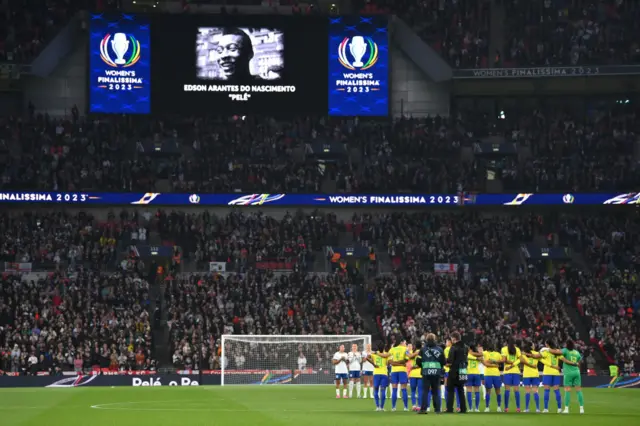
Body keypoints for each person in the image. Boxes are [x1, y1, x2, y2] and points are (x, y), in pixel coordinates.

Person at [529, 339, 563, 413]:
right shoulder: (556, 351)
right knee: (557, 391)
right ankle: (559, 408)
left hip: (547, 373)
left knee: (546, 390)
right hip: (556, 373)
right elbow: (562, 356)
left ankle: (546, 409)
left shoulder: (546, 352)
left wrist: (530, 353)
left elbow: (536, 356)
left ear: (547, 345)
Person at [418, 332, 446, 414]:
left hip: (426, 372)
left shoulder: (423, 349)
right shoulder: (440, 349)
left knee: (425, 391)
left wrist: (422, 365)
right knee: (436, 391)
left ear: (426, 340)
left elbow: (418, 360)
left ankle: (423, 409)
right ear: (435, 339)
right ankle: (437, 409)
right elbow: (444, 362)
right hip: (436, 372)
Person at [388, 335, 415, 411]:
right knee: (404, 389)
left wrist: (395, 363)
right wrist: (401, 364)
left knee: (394, 389)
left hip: (394, 371)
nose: (405, 344)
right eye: (405, 342)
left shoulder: (392, 349)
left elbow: (390, 361)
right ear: (402, 342)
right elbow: (406, 360)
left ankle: (393, 407)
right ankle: (405, 407)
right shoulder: (405, 349)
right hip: (402, 371)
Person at [445, 332, 468, 414]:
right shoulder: (466, 347)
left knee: (450, 390)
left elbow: (450, 361)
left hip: (454, 371)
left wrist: (445, 361)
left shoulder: (453, 347)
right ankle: (463, 409)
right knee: (461, 390)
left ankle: (450, 409)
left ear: (454, 338)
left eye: (451, 339)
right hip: (463, 370)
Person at [560, 339, 584, 414]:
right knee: (578, 390)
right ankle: (581, 409)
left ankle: (566, 409)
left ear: (566, 344)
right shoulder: (576, 352)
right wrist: (578, 370)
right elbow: (580, 362)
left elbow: (559, 354)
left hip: (568, 372)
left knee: (567, 390)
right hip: (576, 372)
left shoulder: (565, 350)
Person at [367, 341, 389, 411]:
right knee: (383, 390)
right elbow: (388, 363)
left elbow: (367, 358)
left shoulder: (374, 354)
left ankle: (377, 407)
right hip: (384, 374)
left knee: (376, 390)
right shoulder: (386, 354)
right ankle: (382, 407)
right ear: (384, 347)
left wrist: (374, 364)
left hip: (376, 373)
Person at [501, 337, 522, 412]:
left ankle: (506, 408)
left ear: (506, 342)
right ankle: (518, 408)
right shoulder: (517, 349)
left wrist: (509, 365)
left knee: (507, 390)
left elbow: (504, 360)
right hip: (516, 371)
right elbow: (520, 359)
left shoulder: (504, 349)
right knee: (516, 390)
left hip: (507, 371)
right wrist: (513, 364)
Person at [482, 339, 504, 412]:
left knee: (488, 391)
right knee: (498, 391)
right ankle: (499, 407)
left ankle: (487, 407)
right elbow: (501, 361)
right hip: (496, 374)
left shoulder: (485, 353)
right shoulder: (497, 354)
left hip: (488, 374)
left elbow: (484, 361)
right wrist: (495, 364)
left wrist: (489, 362)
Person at [521, 341, 541, 413]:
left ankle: (527, 409)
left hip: (526, 374)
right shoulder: (536, 353)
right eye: (533, 345)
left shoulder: (523, 354)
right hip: (535, 374)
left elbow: (521, 362)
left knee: (527, 392)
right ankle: (538, 409)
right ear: (531, 346)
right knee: (535, 391)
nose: (534, 345)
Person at [442, 339, 461, 411]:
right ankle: (459, 406)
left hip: (448, 371)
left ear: (449, 342)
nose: (446, 343)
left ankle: (448, 407)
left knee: (447, 389)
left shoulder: (447, 349)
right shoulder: (458, 349)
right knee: (457, 389)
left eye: (446, 342)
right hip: (456, 371)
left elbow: (446, 360)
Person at [466, 343, 484, 412]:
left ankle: (470, 408)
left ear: (470, 349)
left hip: (469, 374)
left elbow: (468, 357)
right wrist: (477, 358)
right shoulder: (478, 355)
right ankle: (477, 408)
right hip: (477, 374)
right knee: (477, 391)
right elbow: (482, 357)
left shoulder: (468, 354)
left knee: (469, 391)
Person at [406, 343, 422, 411]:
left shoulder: (412, 353)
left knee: (413, 391)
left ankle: (413, 405)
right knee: (420, 390)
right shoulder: (422, 352)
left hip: (412, 374)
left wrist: (406, 351)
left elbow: (409, 358)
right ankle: (419, 406)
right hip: (420, 374)